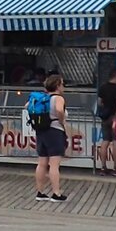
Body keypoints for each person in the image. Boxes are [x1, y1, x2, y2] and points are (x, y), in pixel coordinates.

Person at [32, 73, 69, 202]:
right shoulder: (58, 98)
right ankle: (56, 193)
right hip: (55, 131)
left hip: (41, 131)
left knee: (42, 163)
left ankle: (40, 192)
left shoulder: (42, 98)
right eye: (62, 84)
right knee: (54, 164)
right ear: (57, 85)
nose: (63, 86)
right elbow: (59, 110)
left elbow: (27, 106)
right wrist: (61, 120)